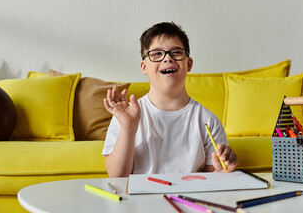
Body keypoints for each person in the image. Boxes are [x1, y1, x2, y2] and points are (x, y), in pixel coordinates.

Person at [102, 22, 238, 177]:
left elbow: (211, 177)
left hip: (188, 199)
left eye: (176, 52)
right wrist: (128, 128)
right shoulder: (126, 117)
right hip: (141, 200)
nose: (167, 58)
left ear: (189, 64)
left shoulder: (208, 120)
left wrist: (220, 170)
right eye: (156, 54)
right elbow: (116, 176)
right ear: (144, 67)